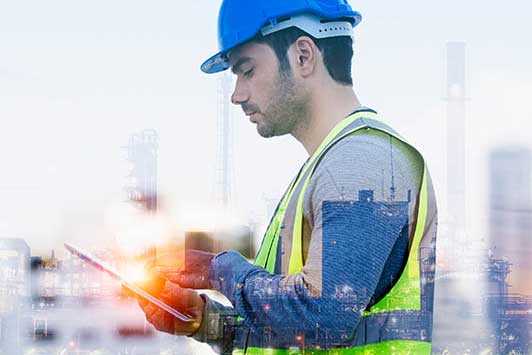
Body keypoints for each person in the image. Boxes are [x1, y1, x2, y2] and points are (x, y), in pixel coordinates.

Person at [137, 0, 438, 354]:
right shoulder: (329, 165)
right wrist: (206, 320)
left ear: (303, 56)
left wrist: (222, 270)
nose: (237, 95)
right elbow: (299, 333)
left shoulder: (363, 163)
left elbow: (323, 316)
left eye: (246, 70)